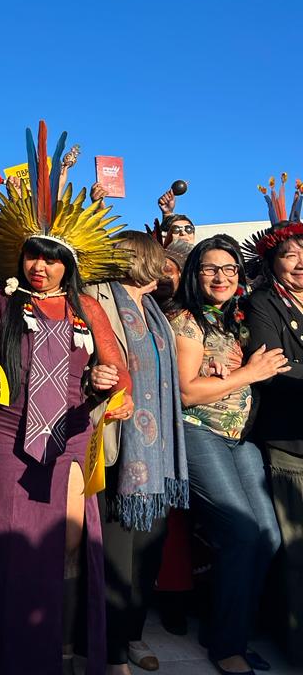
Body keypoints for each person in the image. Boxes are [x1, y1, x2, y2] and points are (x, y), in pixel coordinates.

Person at [0, 121, 133, 675]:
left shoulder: (87, 308)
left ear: (69, 263)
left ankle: (62, 648)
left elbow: (116, 373)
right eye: (30, 256)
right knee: (12, 547)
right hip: (5, 434)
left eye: (50, 257)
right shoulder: (0, 300)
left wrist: (108, 389)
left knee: (65, 547)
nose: (38, 266)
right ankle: (17, 658)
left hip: (71, 434)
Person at [172, 235, 286, 675]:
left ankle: (228, 625)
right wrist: (247, 373)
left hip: (242, 438)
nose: (221, 277)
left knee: (268, 537)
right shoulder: (187, 321)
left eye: (230, 269)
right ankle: (226, 645)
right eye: (210, 268)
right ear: (195, 273)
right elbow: (186, 392)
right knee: (239, 534)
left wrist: (239, 371)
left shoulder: (236, 318)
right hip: (201, 432)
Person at [86, 232, 189, 675]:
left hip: (159, 455)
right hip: (118, 448)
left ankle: (132, 634)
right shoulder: (99, 299)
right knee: (117, 557)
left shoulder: (154, 311)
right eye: (159, 258)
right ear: (140, 260)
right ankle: (110, 652)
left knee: (149, 552)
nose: (167, 266)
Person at [244, 174, 303, 666]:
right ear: (272, 261)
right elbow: (273, 366)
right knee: (297, 553)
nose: (301, 264)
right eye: (291, 255)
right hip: (290, 443)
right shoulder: (263, 303)